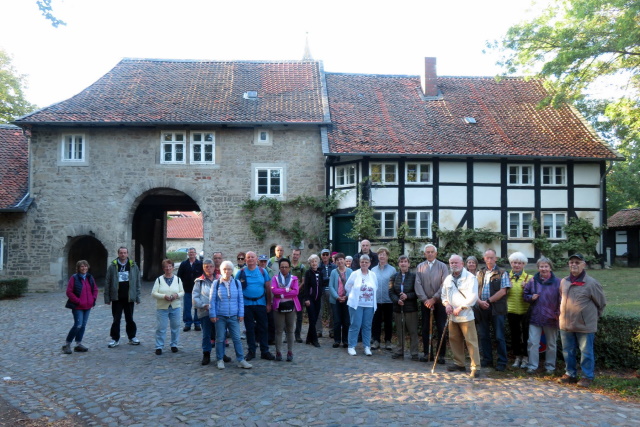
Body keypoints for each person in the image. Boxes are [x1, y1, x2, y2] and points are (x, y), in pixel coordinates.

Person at [558, 253, 606, 388]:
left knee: (586, 352)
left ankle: (587, 376)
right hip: (566, 323)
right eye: (571, 262)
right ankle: (570, 374)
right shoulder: (564, 281)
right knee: (568, 351)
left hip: (585, 325)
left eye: (577, 262)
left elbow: (601, 303)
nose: (574, 264)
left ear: (583, 265)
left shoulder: (591, 283)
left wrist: (590, 318)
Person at [442, 254, 481, 378]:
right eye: (451, 263)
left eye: (456, 263)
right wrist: (447, 304)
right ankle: (459, 363)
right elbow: (444, 295)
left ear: (462, 264)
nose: (454, 265)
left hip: (466, 315)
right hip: (452, 316)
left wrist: (461, 307)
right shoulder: (448, 279)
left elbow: (473, 296)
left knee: (471, 341)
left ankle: (475, 367)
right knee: (454, 340)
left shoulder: (470, 278)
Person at [210, 261, 252, 369]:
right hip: (220, 316)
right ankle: (220, 359)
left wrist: (241, 314)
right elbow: (212, 300)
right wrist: (212, 314)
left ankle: (241, 360)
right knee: (220, 338)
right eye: (225, 269)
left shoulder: (237, 283)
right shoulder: (216, 283)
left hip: (233, 316)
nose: (227, 271)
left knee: (237, 338)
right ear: (221, 270)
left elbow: (240, 300)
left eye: (229, 269)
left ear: (232, 271)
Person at [523, 257, 561, 374]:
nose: (543, 269)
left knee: (551, 343)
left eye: (546, 266)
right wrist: (530, 297)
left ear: (550, 267)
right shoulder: (533, 281)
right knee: (533, 342)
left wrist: (558, 313)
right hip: (535, 317)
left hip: (551, 318)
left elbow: (561, 300)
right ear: (538, 268)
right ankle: (532, 365)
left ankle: (550, 367)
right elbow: (525, 295)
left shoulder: (558, 282)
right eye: (541, 266)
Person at [476, 249, 511, 371]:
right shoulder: (479, 273)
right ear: (484, 258)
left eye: (492, 257)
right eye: (487, 257)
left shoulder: (502, 273)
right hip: (482, 308)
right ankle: (487, 359)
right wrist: (480, 302)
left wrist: (489, 301)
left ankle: (502, 362)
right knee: (484, 335)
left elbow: (503, 291)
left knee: (499, 336)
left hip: (497, 309)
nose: (489, 260)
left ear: (496, 258)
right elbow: (474, 290)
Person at [235, 251, 274, 361]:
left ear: (256, 259)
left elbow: (268, 288)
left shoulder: (262, 271)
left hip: (261, 303)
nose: (250, 259)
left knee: (263, 328)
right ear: (245, 260)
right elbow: (236, 289)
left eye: (252, 257)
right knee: (249, 329)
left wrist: (268, 303)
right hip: (246, 305)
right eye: (248, 257)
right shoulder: (241, 272)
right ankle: (251, 351)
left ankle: (265, 351)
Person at [192, 259, 231, 366]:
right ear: (203, 268)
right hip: (205, 312)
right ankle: (206, 354)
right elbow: (195, 297)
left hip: (219, 312)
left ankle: (221, 354)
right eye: (206, 267)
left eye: (210, 266)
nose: (208, 269)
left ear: (214, 268)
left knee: (220, 334)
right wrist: (204, 305)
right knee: (207, 335)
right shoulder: (199, 281)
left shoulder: (220, 279)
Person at [414, 244, 448, 363]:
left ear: (436, 253)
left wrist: (434, 299)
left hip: (439, 302)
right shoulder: (420, 267)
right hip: (425, 303)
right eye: (427, 252)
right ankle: (427, 353)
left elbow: (444, 285)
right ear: (424, 254)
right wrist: (425, 300)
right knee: (425, 328)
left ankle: (441, 355)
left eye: (432, 252)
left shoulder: (442, 266)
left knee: (441, 328)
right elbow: (417, 285)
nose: (429, 254)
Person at [105, 247, 141, 348]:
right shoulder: (113, 266)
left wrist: (138, 296)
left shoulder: (133, 266)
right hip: (117, 298)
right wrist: (107, 298)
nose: (123, 255)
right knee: (116, 319)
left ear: (127, 254)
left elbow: (137, 282)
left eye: (125, 253)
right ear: (118, 254)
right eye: (121, 253)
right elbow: (108, 281)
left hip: (129, 297)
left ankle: (132, 337)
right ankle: (115, 338)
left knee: (130, 318)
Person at [62, 260, 99, 354]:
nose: (84, 268)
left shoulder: (90, 277)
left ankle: (78, 344)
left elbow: (95, 289)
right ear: (78, 268)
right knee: (78, 325)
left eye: (85, 266)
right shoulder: (74, 278)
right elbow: (69, 292)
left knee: (83, 325)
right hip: (78, 306)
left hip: (88, 306)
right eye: (82, 266)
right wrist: (78, 301)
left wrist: (92, 299)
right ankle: (67, 344)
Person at [345, 254, 377, 356]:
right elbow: (348, 286)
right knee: (355, 325)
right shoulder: (355, 274)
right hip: (356, 304)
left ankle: (367, 346)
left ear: (369, 264)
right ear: (359, 263)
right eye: (362, 262)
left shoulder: (373, 275)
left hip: (369, 305)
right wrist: (354, 295)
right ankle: (351, 346)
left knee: (367, 326)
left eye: (366, 262)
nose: (364, 263)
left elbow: (375, 287)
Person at [388, 255, 419, 360]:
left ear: (409, 264)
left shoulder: (414, 277)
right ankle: (400, 351)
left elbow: (417, 292)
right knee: (400, 331)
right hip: (398, 308)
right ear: (398, 264)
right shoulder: (393, 277)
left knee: (413, 331)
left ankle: (414, 353)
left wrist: (407, 296)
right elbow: (391, 292)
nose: (403, 263)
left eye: (405, 261)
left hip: (411, 309)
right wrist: (397, 300)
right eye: (401, 262)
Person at [151, 259, 185, 355]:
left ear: (173, 268)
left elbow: (182, 292)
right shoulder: (159, 280)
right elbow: (153, 293)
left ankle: (174, 344)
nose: (168, 268)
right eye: (166, 267)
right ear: (163, 268)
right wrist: (163, 296)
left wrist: (176, 295)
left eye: (170, 266)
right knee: (161, 327)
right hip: (162, 307)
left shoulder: (178, 279)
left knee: (175, 326)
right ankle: (159, 346)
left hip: (175, 306)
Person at [271, 258, 301, 361]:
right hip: (278, 307)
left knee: (290, 330)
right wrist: (288, 290)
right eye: (282, 267)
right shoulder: (275, 278)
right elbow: (274, 291)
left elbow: (296, 292)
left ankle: (290, 351)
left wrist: (282, 293)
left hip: (291, 307)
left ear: (289, 268)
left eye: (286, 267)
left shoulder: (294, 279)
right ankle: (278, 352)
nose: (284, 269)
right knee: (278, 330)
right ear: (279, 268)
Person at [507, 251, 533, 368]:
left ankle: (526, 357)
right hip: (511, 310)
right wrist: (507, 289)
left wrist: (526, 288)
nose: (516, 265)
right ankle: (517, 357)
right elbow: (501, 294)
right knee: (515, 335)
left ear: (524, 264)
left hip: (526, 311)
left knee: (527, 335)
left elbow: (535, 295)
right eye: (514, 263)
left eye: (519, 263)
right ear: (511, 264)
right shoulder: (506, 277)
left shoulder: (530, 278)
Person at [371, 247, 396, 350]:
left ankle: (388, 341)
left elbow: (394, 285)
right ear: (378, 256)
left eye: (384, 254)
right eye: (380, 254)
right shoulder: (373, 270)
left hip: (388, 300)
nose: (382, 256)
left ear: (387, 256)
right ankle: (376, 340)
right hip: (376, 300)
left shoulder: (392, 270)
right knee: (375, 321)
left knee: (388, 322)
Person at [177, 247, 203, 332]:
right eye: (190, 252)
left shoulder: (200, 264)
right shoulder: (184, 264)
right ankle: (187, 323)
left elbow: (203, 276)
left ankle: (197, 323)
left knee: (197, 307)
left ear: (196, 254)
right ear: (188, 254)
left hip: (197, 289)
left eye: (193, 252)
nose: (191, 254)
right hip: (187, 289)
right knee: (187, 307)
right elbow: (179, 276)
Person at [329, 252, 352, 348]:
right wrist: (337, 297)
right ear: (335, 262)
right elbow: (330, 286)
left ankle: (346, 341)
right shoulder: (334, 272)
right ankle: (337, 340)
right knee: (337, 321)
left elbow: (352, 286)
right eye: (337, 260)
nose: (339, 261)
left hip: (347, 299)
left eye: (341, 259)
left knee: (346, 321)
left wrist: (346, 296)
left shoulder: (350, 271)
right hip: (336, 300)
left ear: (344, 260)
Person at [303, 254, 323, 347]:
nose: (314, 263)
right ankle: (315, 340)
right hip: (310, 299)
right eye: (312, 262)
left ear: (318, 262)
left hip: (318, 299)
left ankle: (308, 338)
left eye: (315, 261)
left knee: (314, 320)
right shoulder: (308, 273)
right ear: (310, 263)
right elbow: (306, 287)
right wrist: (306, 298)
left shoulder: (320, 272)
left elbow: (321, 285)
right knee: (312, 318)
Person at [317, 248, 336, 338]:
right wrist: (327, 279)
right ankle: (319, 330)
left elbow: (334, 279)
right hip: (320, 290)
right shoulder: (318, 266)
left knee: (332, 311)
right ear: (321, 256)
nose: (325, 256)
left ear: (329, 256)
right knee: (319, 311)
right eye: (323, 255)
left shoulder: (333, 266)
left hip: (331, 290)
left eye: (326, 254)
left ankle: (332, 330)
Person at [259, 254, 276, 344]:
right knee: (260, 319)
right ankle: (259, 338)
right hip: (259, 296)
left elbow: (273, 284)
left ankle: (271, 338)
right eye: (261, 261)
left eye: (264, 261)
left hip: (268, 295)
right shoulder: (256, 271)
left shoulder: (270, 271)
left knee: (270, 318)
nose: (263, 263)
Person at [291, 249, 306, 343]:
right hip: (288, 294)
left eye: (297, 254)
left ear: (299, 256)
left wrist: (297, 290)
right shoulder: (288, 266)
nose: (295, 256)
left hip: (299, 294)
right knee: (287, 314)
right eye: (294, 254)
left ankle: (298, 335)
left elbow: (303, 281)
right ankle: (288, 335)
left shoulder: (302, 267)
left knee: (299, 315)